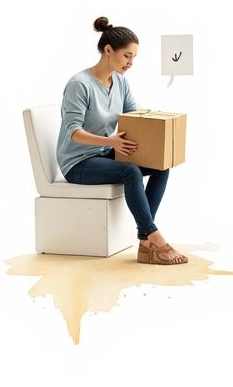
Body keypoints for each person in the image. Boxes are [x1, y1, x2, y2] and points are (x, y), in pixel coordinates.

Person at [59, 17, 187, 265]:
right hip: (78, 162)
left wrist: (156, 119)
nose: (131, 63)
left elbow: (132, 113)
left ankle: (144, 243)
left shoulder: (120, 81)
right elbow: (72, 132)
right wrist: (111, 142)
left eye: (134, 58)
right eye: (127, 56)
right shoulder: (79, 84)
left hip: (105, 153)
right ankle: (154, 237)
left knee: (162, 165)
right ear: (108, 51)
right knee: (130, 171)